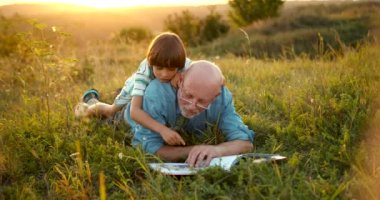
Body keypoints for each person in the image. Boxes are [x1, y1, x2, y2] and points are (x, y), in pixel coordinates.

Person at [125, 60, 255, 167]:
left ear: (216, 96)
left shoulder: (222, 99)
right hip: (128, 111)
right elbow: (150, 147)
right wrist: (192, 151)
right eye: (188, 95)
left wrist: (216, 150)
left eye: (201, 101)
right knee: (110, 113)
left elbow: (245, 143)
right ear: (180, 81)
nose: (192, 106)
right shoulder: (157, 93)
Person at [75, 32, 191, 146]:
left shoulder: (182, 63)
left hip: (149, 97)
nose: (165, 74)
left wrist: (181, 75)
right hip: (130, 92)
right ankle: (86, 109)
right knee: (110, 111)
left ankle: (92, 100)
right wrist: (162, 130)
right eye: (159, 68)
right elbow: (134, 112)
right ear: (151, 64)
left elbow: (201, 69)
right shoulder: (144, 73)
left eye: (171, 69)